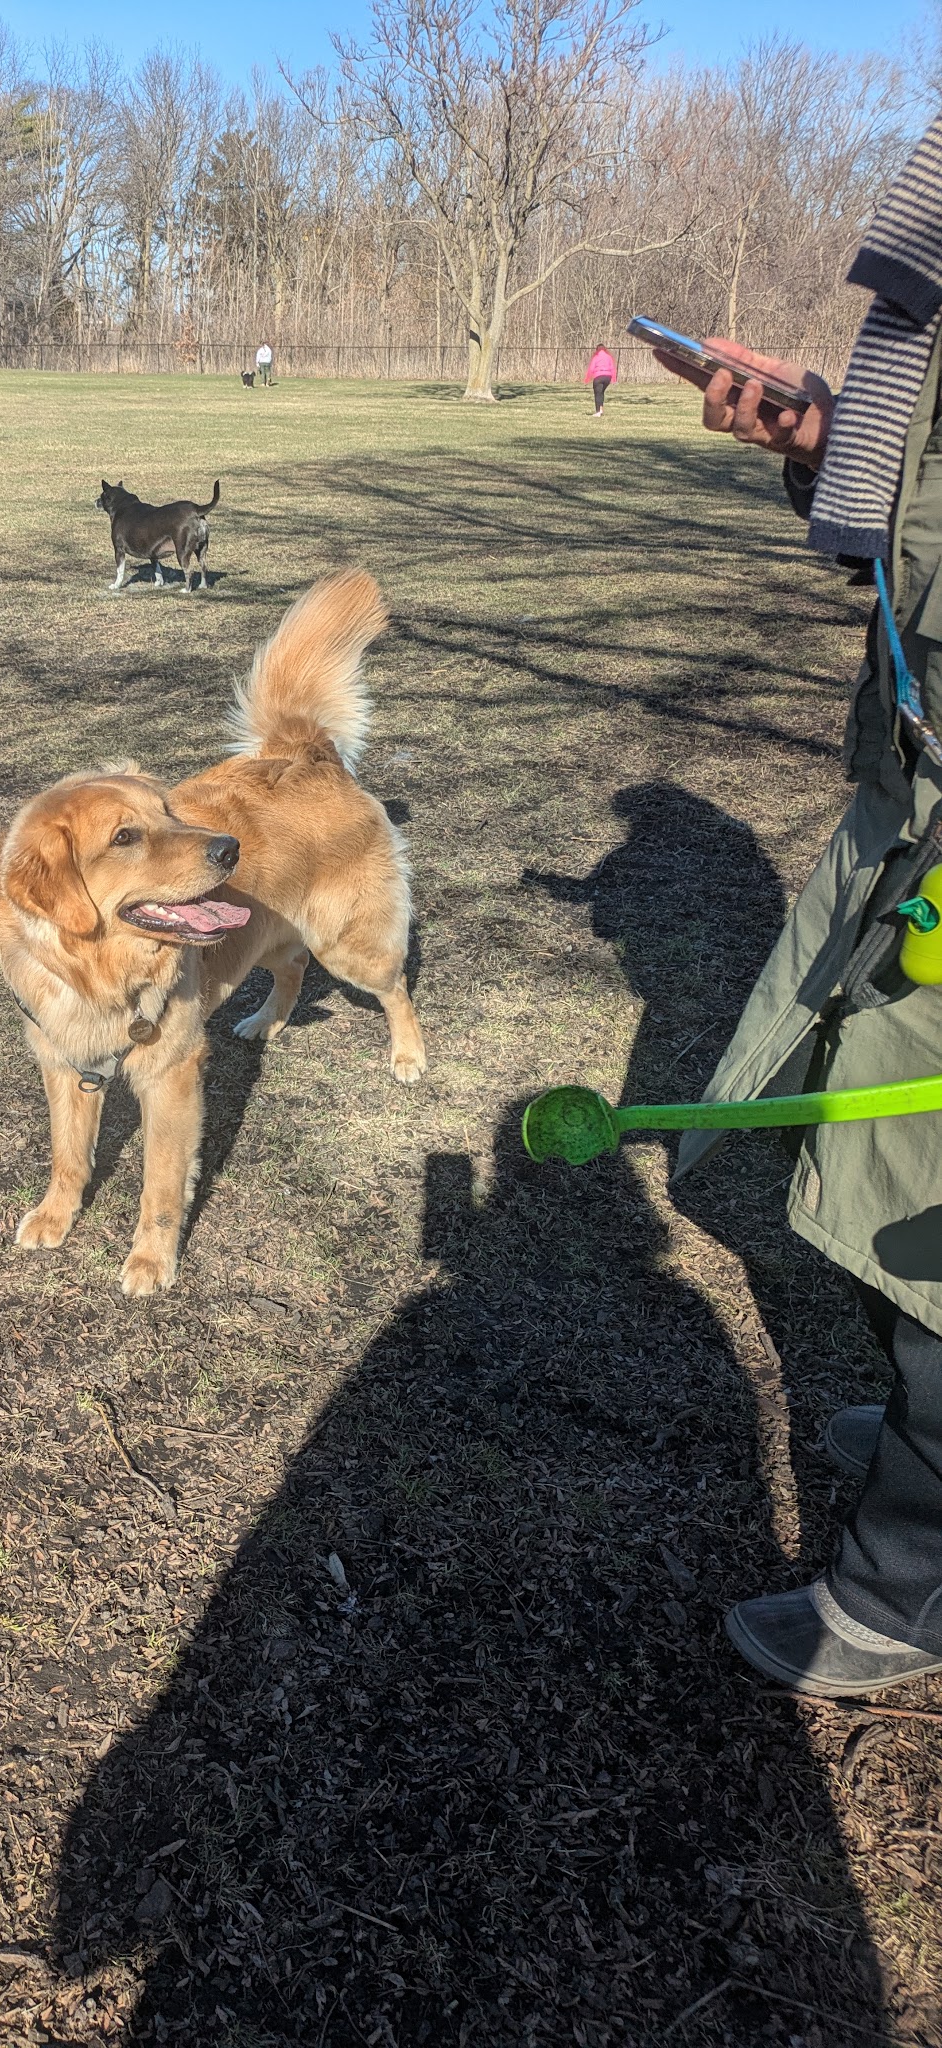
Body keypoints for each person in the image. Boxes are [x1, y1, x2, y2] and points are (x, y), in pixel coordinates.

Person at [656, 111, 942, 1697]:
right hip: (917, 798)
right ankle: (919, 1433)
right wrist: (826, 445)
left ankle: (905, 1586)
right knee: (889, 1149)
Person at [584, 342, 617, 416]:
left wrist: (587, 379)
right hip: (608, 377)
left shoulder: (596, 357)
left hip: (599, 377)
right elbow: (612, 368)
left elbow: (591, 368)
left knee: (597, 393)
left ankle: (598, 411)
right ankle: (601, 409)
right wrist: (614, 379)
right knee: (601, 392)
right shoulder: (609, 357)